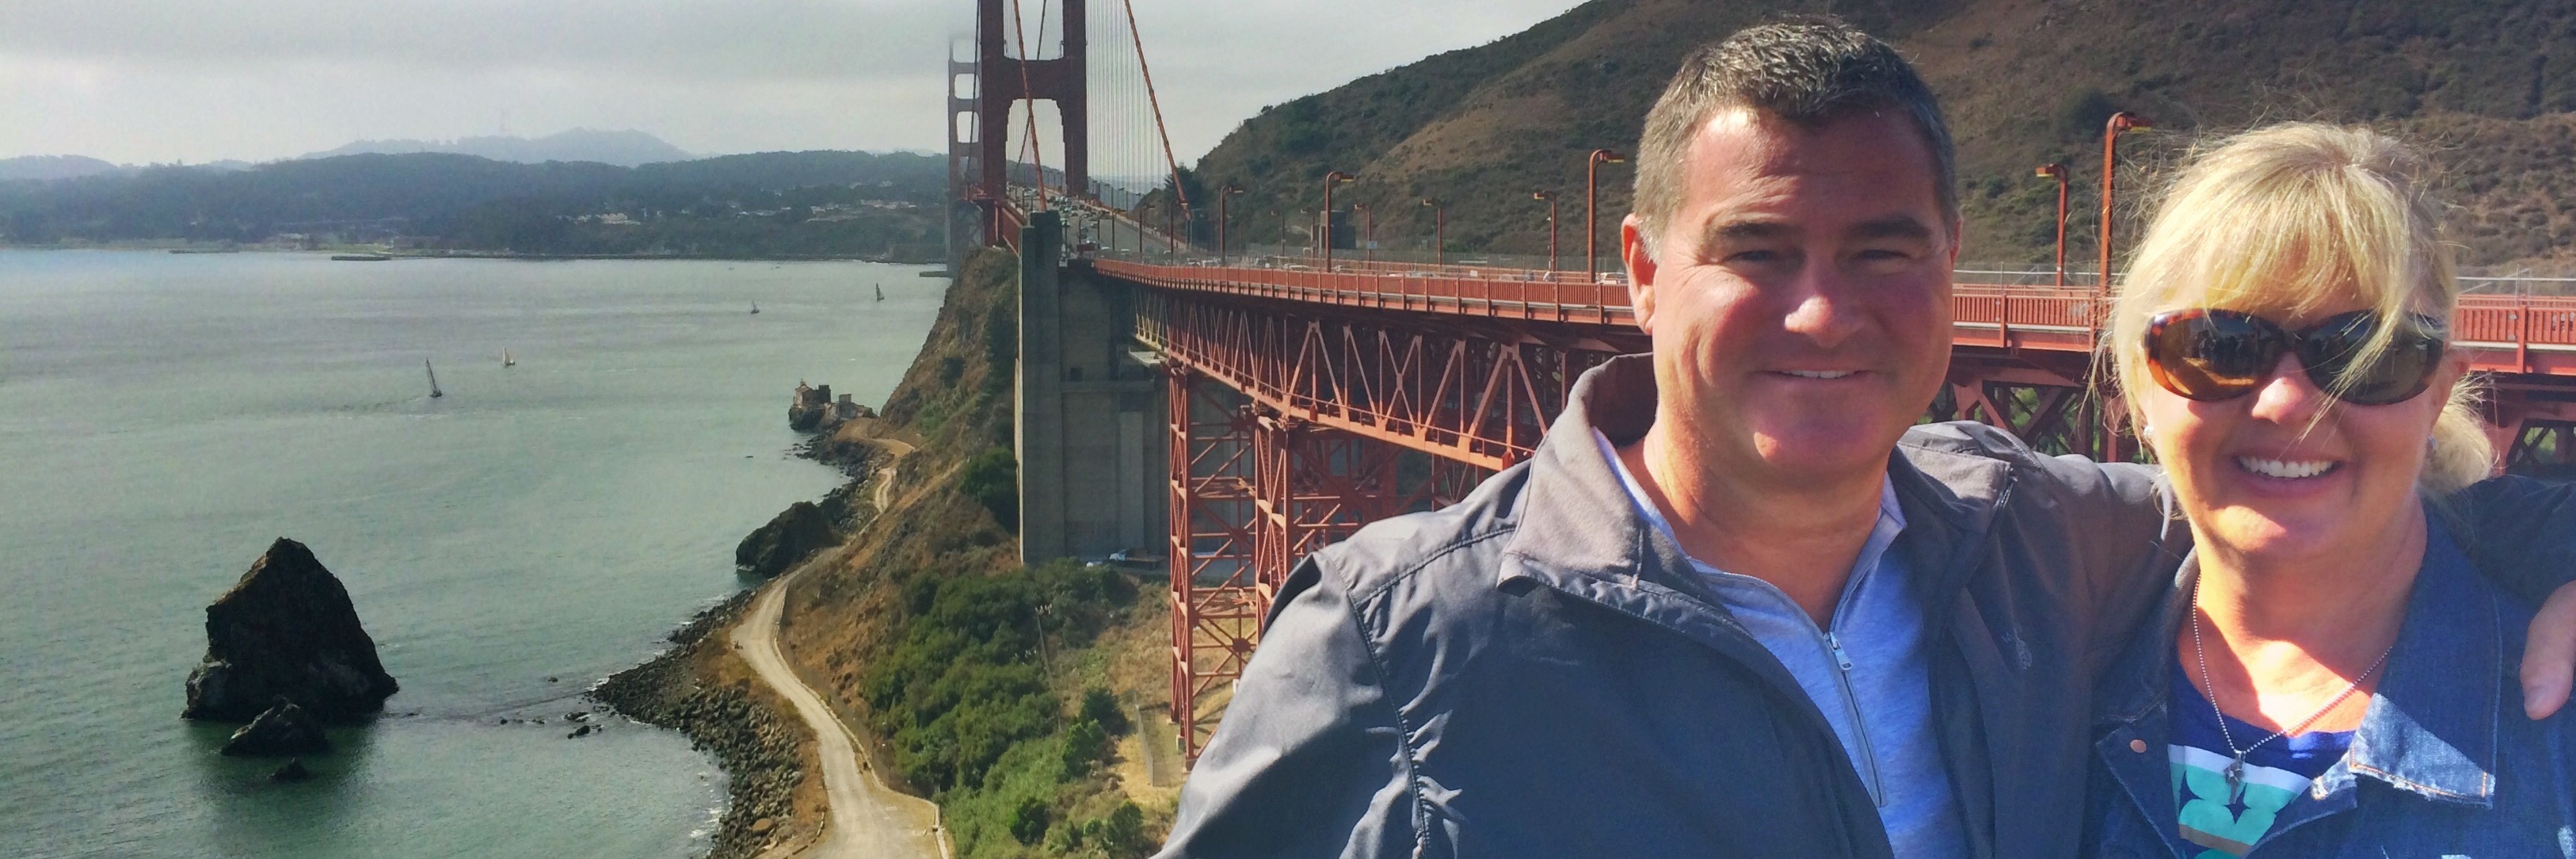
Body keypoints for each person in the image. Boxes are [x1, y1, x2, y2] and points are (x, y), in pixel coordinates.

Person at [1154, 19, 2576, 859]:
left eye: (1883, 248)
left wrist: (2554, 531)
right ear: (1640, 272)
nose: (1824, 309)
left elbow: (2329, 510)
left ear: (1950, 263)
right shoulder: (1401, 638)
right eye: (1758, 247)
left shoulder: (2030, 535)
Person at [2079, 124, 2576, 856]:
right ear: (2138, 390)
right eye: (2218, 347)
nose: (2286, 402)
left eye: (2364, 354)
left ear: (2440, 393)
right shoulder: (2027, 662)